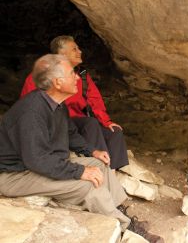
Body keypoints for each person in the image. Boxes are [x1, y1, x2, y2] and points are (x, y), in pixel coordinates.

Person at [0, 54, 163, 242]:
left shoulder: (56, 104)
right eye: (72, 73)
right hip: (14, 175)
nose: (78, 77)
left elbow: (70, 133)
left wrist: (92, 151)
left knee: (98, 164)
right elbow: (37, 160)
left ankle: (119, 212)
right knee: (88, 185)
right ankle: (128, 231)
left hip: (34, 165)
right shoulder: (31, 111)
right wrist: (79, 171)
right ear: (58, 82)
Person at [20, 35, 128, 170]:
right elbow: (28, 105)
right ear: (62, 54)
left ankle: (113, 171)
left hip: (78, 123)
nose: (80, 51)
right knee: (90, 123)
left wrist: (107, 121)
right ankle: (99, 169)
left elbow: (94, 101)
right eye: (74, 49)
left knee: (114, 132)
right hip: (57, 124)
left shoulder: (82, 76)